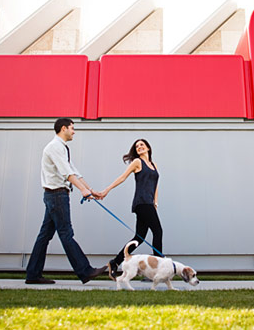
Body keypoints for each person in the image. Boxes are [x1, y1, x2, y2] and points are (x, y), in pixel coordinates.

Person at [25, 118, 107, 285]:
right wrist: (82, 190)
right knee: (66, 233)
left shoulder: (62, 148)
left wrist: (90, 190)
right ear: (64, 128)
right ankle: (85, 271)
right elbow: (66, 173)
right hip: (56, 195)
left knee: (44, 236)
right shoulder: (54, 147)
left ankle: (33, 274)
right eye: (72, 128)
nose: (74, 132)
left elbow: (74, 172)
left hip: (55, 195)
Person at [96, 139, 163, 280]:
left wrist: (155, 202)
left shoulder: (154, 165)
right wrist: (106, 190)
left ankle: (114, 263)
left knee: (139, 238)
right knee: (158, 231)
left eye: (142, 145)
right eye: (137, 146)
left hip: (149, 204)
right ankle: (157, 270)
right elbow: (122, 177)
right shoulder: (137, 163)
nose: (139, 147)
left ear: (148, 148)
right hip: (141, 203)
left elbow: (155, 185)